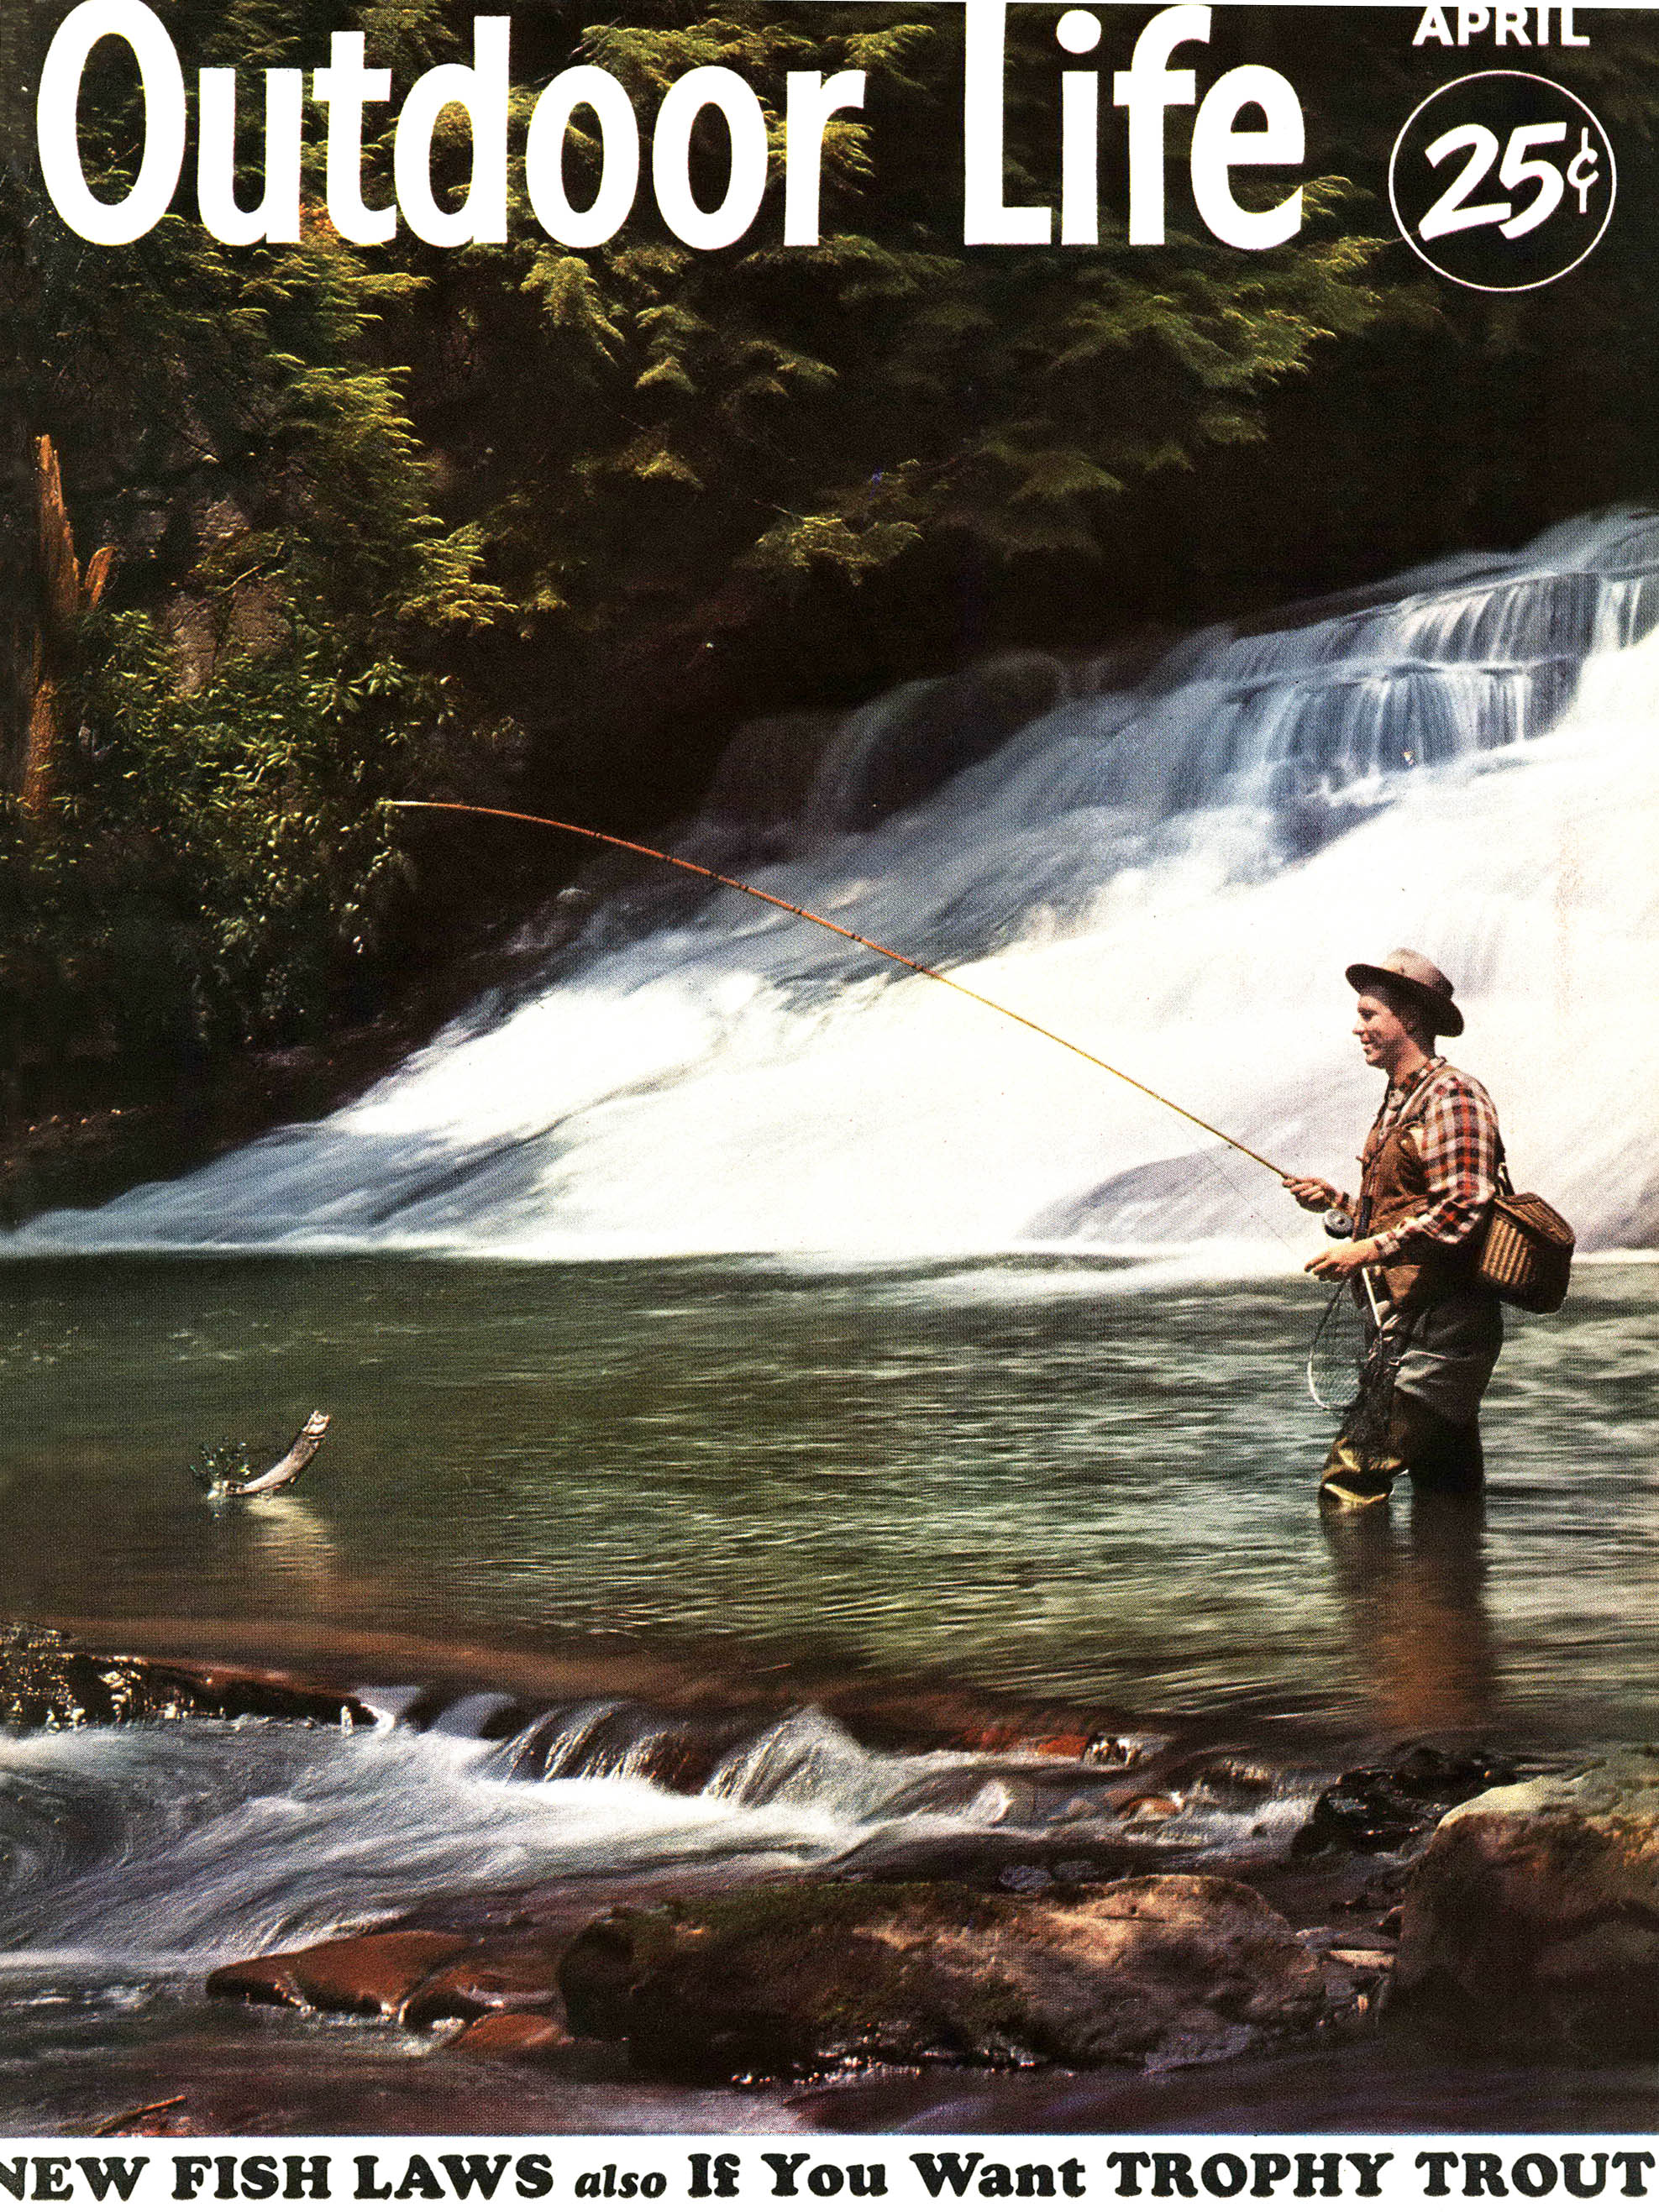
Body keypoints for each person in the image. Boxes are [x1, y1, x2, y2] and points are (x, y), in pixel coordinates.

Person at [1284, 950, 1504, 1510]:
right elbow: (1409, 1209)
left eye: (1367, 1015)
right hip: (1409, 1324)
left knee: (1348, 1481)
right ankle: (1447, 1594)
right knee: (1446, 1495)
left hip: (1440, 1329)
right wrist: (1334, 1202)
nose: (1356, 1029)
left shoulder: (1452, 1096)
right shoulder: (1397, 1103)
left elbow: (1462, 1209)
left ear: (1408, 1018)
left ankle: (1362, 1597)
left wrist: (1364, 1250)